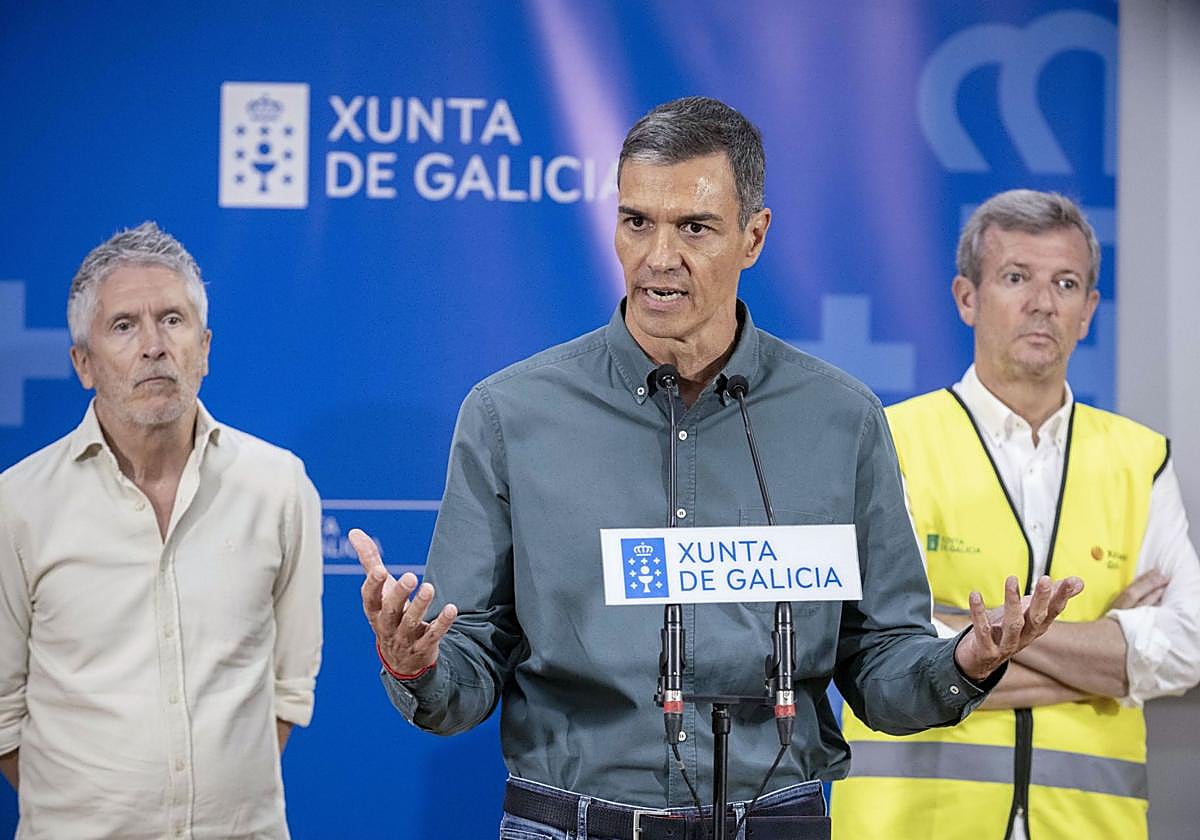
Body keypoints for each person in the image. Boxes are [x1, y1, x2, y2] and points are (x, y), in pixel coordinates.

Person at [350, 99, 1080, 840]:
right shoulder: (510, 414)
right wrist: (417, 664)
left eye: (694, 228)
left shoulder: (840, 419)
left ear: (754, 236)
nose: (658, 257)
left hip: (776, 820)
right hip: (574, 823)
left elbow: (881, 667)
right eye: (637, 222)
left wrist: (967, 658)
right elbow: (465, 670)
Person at [831, 190, 1200, 840]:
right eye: (1015, 277)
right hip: (915, 825)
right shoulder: (890, 443)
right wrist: (1114, 646)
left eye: (1066, 282)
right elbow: (879, 654)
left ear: (1088, 311)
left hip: (1091, 826)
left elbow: (1188, 649)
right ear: (967, 297)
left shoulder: (1139, 458)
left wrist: (968, 639)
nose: (1042, 302)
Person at [0, 222, 324, 839]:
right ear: (84, 363)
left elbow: (289, 686)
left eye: (172, 320)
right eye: (124, 326)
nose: (153, 345)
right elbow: (0, 710)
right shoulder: (17, 504)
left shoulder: (278, 486)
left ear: (203, 348)